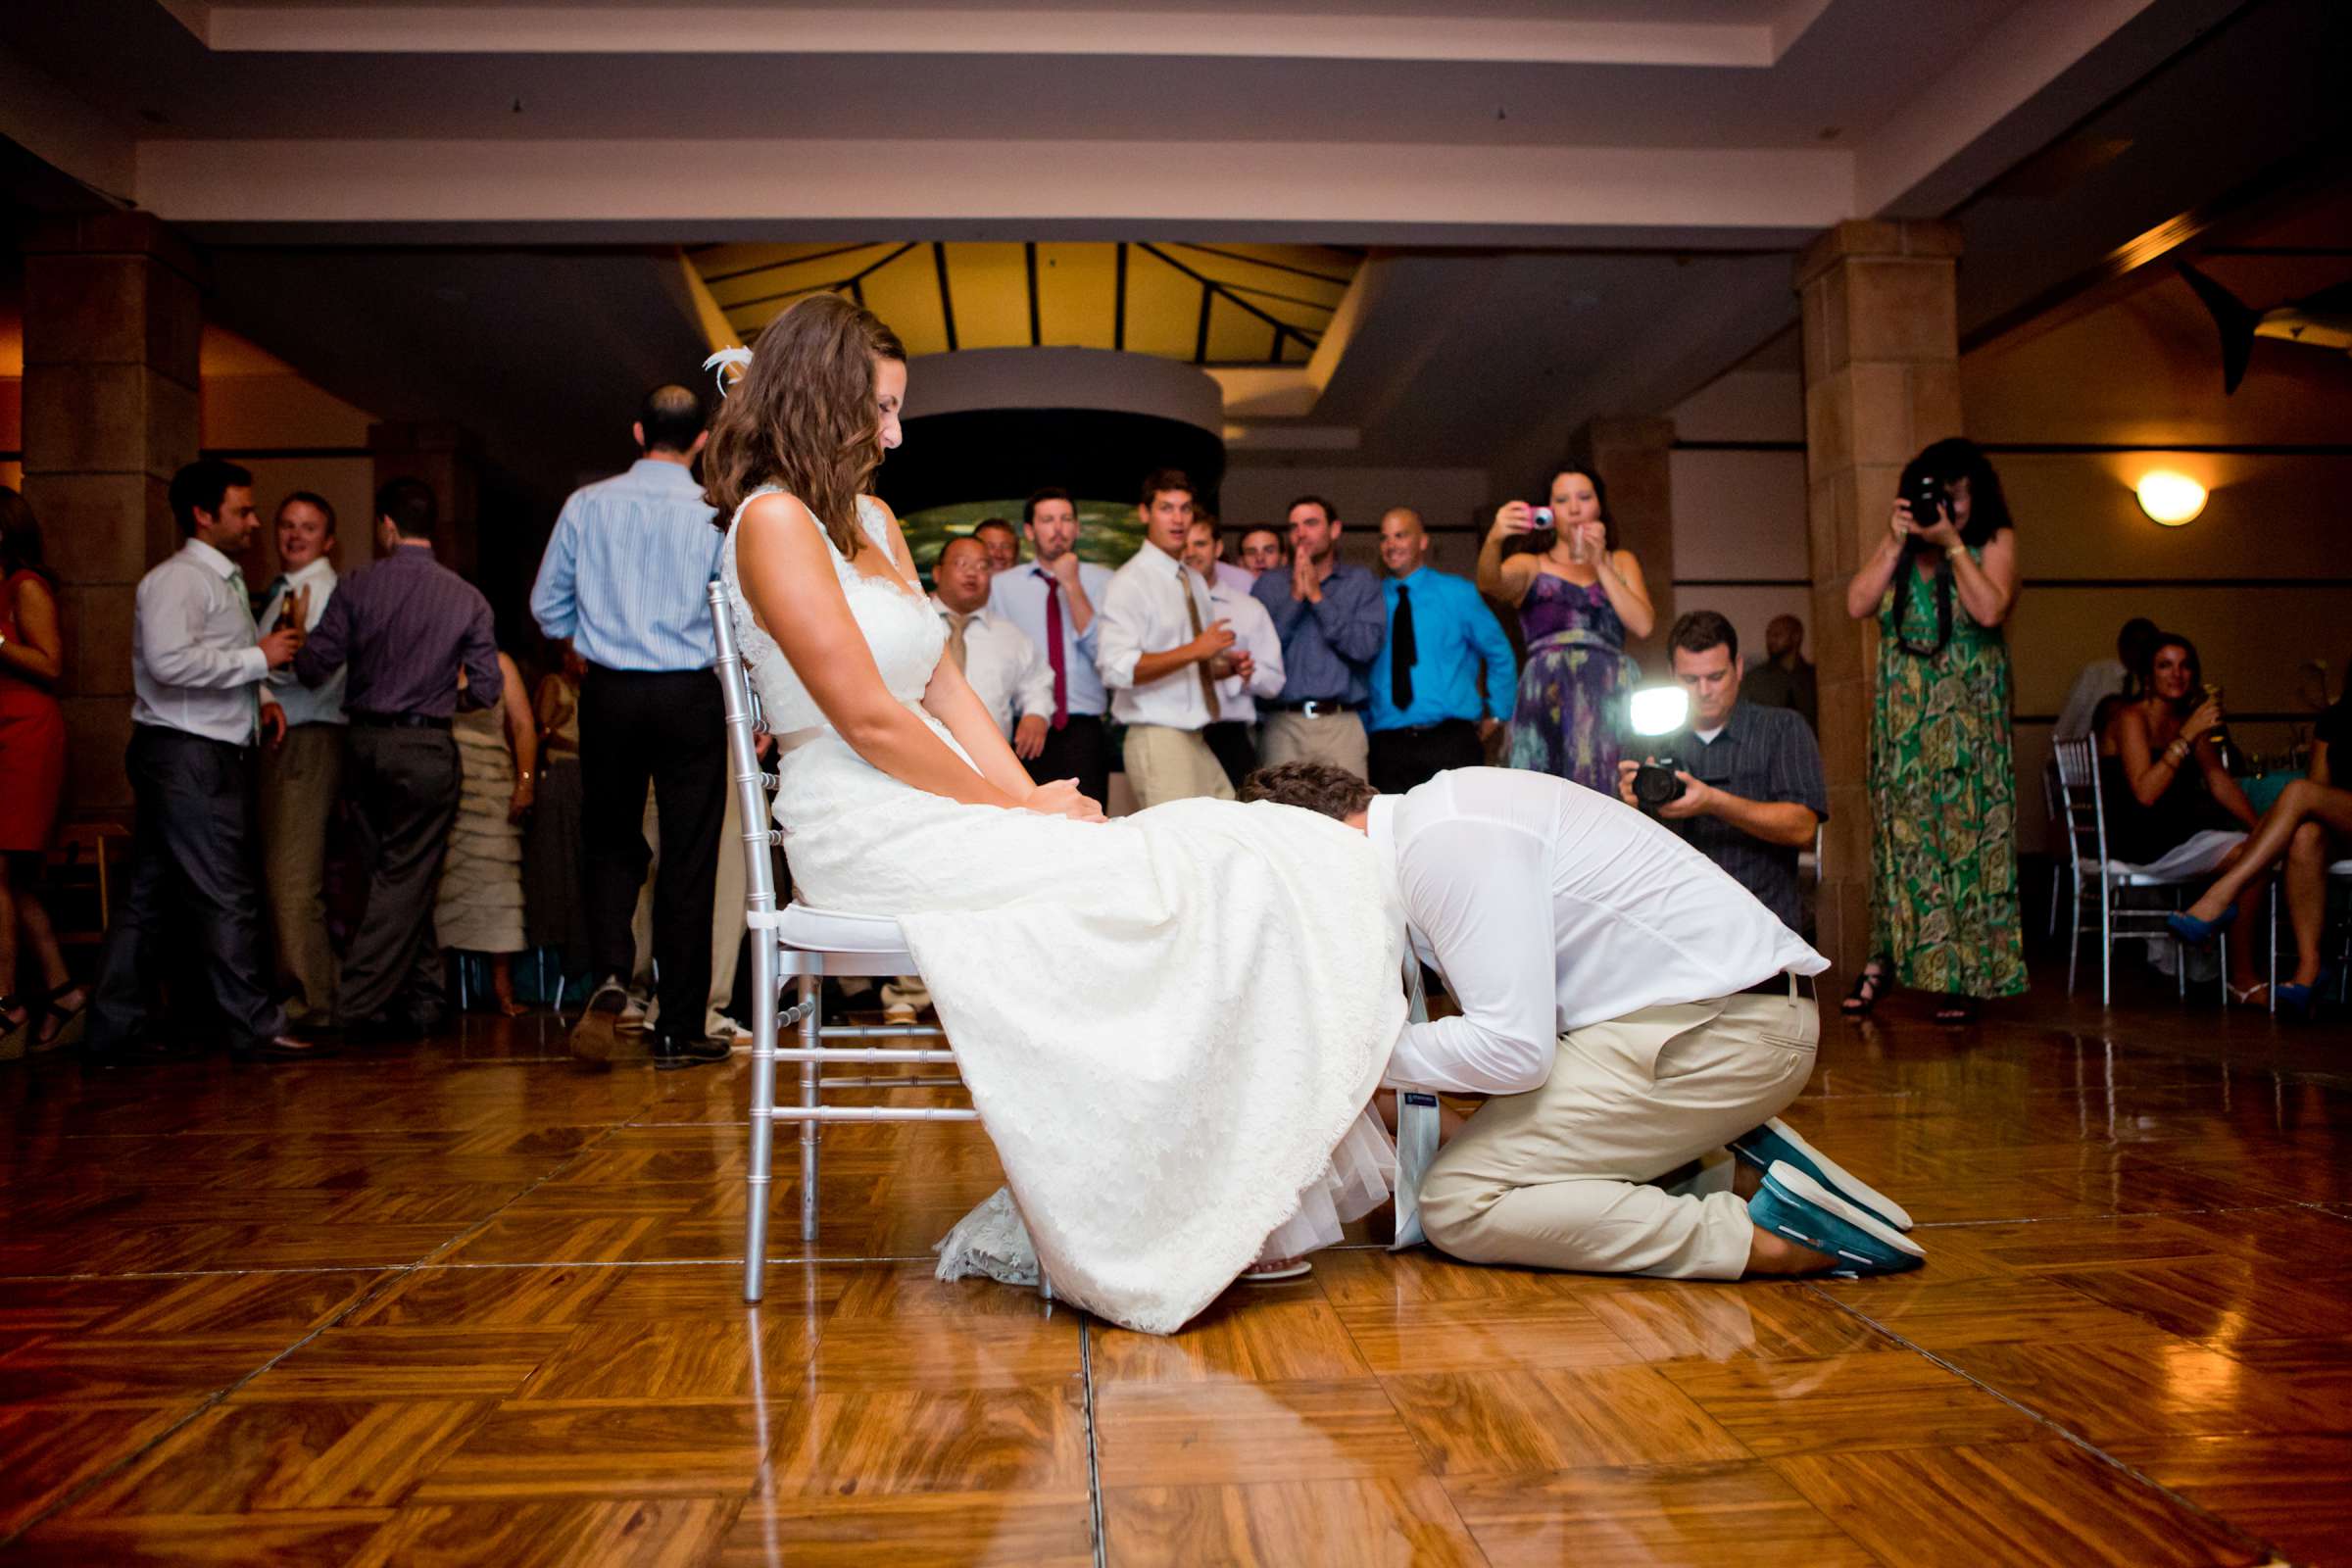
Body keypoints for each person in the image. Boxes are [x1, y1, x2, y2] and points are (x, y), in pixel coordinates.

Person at [711, 294, 1403, 1333]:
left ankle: (1199, 1186)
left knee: (1201, 845)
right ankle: (1133, 1205)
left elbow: (941, 693)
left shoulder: (874, 519)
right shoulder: (771, 521)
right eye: (883, 409)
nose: (896, 435)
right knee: (1138, 876)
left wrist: (1031, 797)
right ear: (824, 397)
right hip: (861, 819)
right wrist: (1012, 806)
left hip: (934, 791)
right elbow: (864, 715)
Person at [1241, 761, 1919, 1282]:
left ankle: (1776, 1239)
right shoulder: (1437, 818)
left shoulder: (1441, 846)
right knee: (1471, 1121)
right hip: (1706, 1017)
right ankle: (1714, 1161)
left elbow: (1512, 1052)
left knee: (1461, 1203)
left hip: (1722, 1034)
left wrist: (1338, 1053)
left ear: (1322, 842)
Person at [88, 460, 318, 1060]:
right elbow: (169, 662)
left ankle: (115, 1032)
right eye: (242, 510)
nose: (253, 521)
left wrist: (261, 697)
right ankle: (256, 1025)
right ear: (203, 514)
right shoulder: (178, 580)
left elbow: (221, 655)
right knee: (225, 892)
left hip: (199, 747)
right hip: (187, 754)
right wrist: (258, 662)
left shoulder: (225, 581)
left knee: (148, 897)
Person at [530, 383, 730, 1071]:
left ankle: (612, 971)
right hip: (690, 696)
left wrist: (581, 640)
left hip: (610, 694)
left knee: (610, 841)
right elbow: (735, 615)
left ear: (639, 434)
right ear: (702, 441)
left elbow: (545, 605)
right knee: (690, 855)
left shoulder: (587, 505)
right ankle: (679, 1026)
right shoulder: (716, 514)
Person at [296, 477, 501, 1040]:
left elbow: (314, 667)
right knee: (405, 877)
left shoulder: (358, 585)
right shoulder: (467, 598)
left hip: (361, 744)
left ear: (386, 524)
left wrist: (292, 637)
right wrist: (441, 699)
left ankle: (372, 1004)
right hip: (427, 746)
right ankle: (401, 1002)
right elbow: (486, 691)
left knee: (391, 877)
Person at [1841, 437, 2027, 1025]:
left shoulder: (1993, 542)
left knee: (1969, 835)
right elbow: (1856, 603)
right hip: (1905, 720)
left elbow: (1990, 609)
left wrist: (1952, 546)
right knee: (1904, 840)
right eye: (1934, 498)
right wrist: (1896, 539)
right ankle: (1887, 959)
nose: (1945, 509)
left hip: (1969, 718)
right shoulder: (1899, 548)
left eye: (1956, 500)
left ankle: (1969, 973)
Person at [1616, 612, 1827, 937]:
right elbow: (1629, 853)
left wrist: (1713, 802)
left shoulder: (1782, 729)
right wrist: (1629, 808)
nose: (1703, 690)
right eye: (1690, 680)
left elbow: (1802, 828)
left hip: (1762, 926)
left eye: (1715, 677)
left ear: (1738, 668)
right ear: (1673, 675)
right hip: (1674, 930)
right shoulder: (1649, 738)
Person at [2088, 632, 2258, 1000]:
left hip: (2180, 838)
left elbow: (2218, 782)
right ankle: (2233, 963)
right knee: (2253, 856)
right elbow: (2146, 794)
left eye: (2185, 666)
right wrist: (2187, 736)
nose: (2176, 674)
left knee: (2258, 854)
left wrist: (2261, 831)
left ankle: (2238, 970)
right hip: (2140, 843)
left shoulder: (2186, 720)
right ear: (2148, 676)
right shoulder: (2130, 717)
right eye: (2165, 665)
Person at [2171, 686, 2350, 1017]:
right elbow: (2321, 788)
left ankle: (2221, 894)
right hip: (2344, 822)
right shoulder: (2336, 717)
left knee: (2297, 791)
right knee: (2305, 835)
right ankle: (2310, 967)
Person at [1481, 466, 1654, 791]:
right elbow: (1490, 582)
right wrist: (1494, 539)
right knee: (1543, 796)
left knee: (1609, 792)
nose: (1574, 508)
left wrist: (1600, 561)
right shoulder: (1531, 563)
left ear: (1599, 505)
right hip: (1546, 692)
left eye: (1584, 497)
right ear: (1549, 510)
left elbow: (1643, 625)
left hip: (1607, 695)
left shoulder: (1621, 561)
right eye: (1562, 500)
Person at [254, 491, 347, 1027]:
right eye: (286, 524)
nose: (294, 535)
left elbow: (300, 671)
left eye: (307, 528)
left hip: (306, 735)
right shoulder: (288, 589)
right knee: (285, 873)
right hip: (289, 735)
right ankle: (305, 994)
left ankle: (309, 1002)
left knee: (291, 876)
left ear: (328, 539)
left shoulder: (318, 592)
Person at [1098, 469, 1245, 808]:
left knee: (1228, 828)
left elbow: (1191, 663)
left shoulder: (1191, 579)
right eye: (1166, 508)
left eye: (1185, 508)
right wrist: (1197, 650)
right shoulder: (1130, 582)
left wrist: (1224, 667)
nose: (1178, 519)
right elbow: (1117, 669)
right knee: (1181, 852)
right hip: (1157, 735)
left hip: (1196, 737)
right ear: (1145, 513)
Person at [0, 487, 85, 1055]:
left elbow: (50, 662)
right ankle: (63, 992)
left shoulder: (25, 585)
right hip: (3, 730)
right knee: (12, 878)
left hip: (24, 735)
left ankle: (6, 1005)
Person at [1367, 507, 1514, 795]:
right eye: (1385, 537)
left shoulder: (1458, 593)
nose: (1391, 544)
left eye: (1400, 535)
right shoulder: (1369, 599)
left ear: (1423, 541)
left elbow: (1499, 651)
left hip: (1451, 738)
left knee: (1459, 832)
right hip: (1387, 741)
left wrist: (1498, 713)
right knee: (1391, 835)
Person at [988, 488, 1116, 808]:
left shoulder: (1107, 581)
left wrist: (1071, 585)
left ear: (1077, 528)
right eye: (1047, 520)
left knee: (1091, 825)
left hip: (1083, 726)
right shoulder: (1001, 586)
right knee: (1027, 826)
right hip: (1024, 727)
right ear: (1030, 531)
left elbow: (1107, 655)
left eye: (1066, 519)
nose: (1057, 528)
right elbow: (997, 657)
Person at [1251, 495, 1384, 778]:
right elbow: (1260, 654)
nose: (1301, 533)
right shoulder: (1270, 585)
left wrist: (1318, 598)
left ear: (1334, 530)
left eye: (1310, 523)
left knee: (1348, 818)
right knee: (1278, 817)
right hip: (1283, 724)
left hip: (1341, 723)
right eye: (1294, 526)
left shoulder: (1361, 582)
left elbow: (1365, 648)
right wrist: (1296, 598)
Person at [435, 650, 536, 1016]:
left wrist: (525, 782)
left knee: (498, 881)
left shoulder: (501, 664)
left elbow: (523, 725)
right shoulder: (434, 656)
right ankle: (436, 988)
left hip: (492, 783)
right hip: (444, 786)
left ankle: (502, 986)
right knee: (442, 885)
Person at [525, 642, 593, 980]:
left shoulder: (589, 687)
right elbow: (542, 729)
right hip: (560, 769)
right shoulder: (554, 684)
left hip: (585, 772)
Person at [1202, 548, 1285, 787]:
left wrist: (1243, 674)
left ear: (1217, 547)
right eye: (1185, 544)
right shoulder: (1162, 605)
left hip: (1232, 733)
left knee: (1243, 816)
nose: (1192, 552)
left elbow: (1274, 681)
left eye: (1200, 544)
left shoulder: (1246, 607)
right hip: (1176, 731)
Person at [2055, 616, 2161, 745]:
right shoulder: (2097, 673)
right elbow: (2069, 719)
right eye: (2134, 645)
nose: (2139, 652)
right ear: (2121, 645)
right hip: (2087, 754)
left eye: (2146, 647)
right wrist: (2056, 758)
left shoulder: (2156, 682)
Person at [1738, 613, 1818, 733]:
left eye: (1777, 635)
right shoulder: (1755, 679)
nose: (1771, 640)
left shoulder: (1814, 676)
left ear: (1796, 637)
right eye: (1768, 635)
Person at [1182, 514, 1255, 596]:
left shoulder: (1242, 584)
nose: (1190, 553)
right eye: (1182, 545)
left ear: (1218, 548)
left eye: (1200, 544)